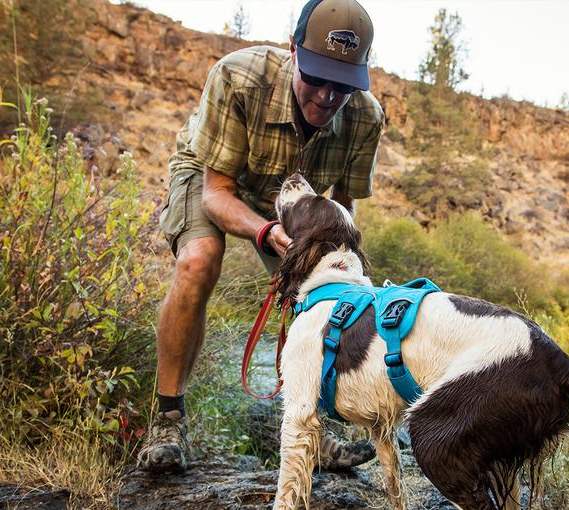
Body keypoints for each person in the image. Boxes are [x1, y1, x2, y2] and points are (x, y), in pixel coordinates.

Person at [137, 0, 384, 473]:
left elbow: (344, 207)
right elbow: (216, 193)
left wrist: (328, 266)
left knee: (327, 288)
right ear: (294, 51)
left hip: (295, 199)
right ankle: (168, 420)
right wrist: (265, 231)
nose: (329, 96)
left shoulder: (366, 118)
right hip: (215, 175)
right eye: (317, 78)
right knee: (198, 260)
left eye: (344, 85)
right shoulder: (238, 77)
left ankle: (314, 425)